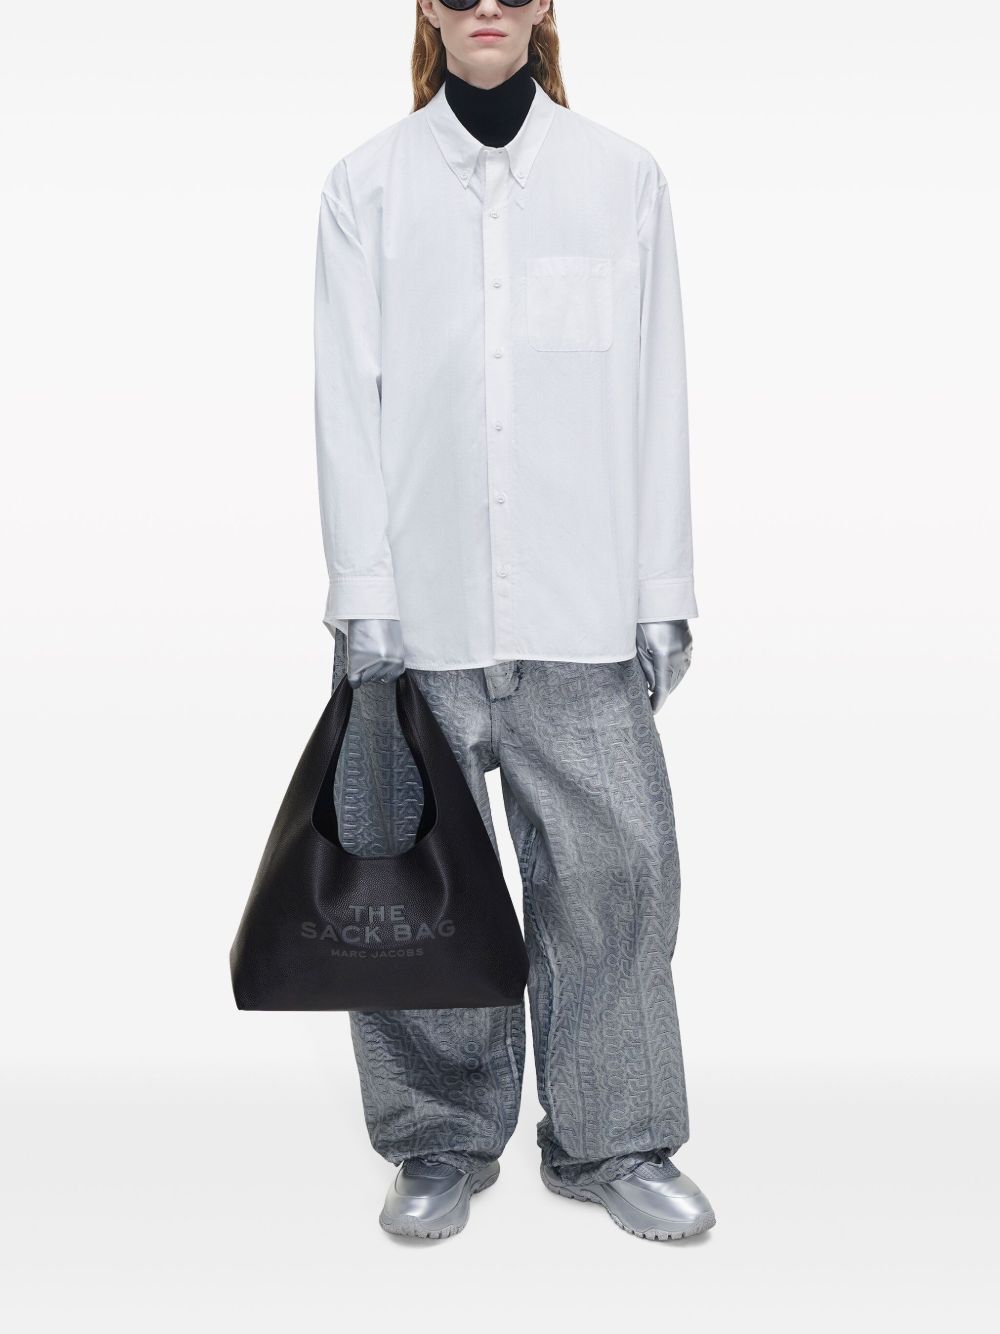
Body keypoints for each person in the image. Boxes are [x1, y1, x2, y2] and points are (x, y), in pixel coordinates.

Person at [315, 0, 714, 1241]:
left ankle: (613, 1136)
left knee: (615, 875)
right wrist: (363, 597)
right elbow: (344, 400)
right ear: (426, 6)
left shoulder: (619, 179)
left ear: (542, 4)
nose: (484, 2)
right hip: (414, 618)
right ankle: (438, 1134)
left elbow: (655, 389)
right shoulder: (366, 188)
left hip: (579, 607)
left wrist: (661, 588)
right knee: (417, 890)